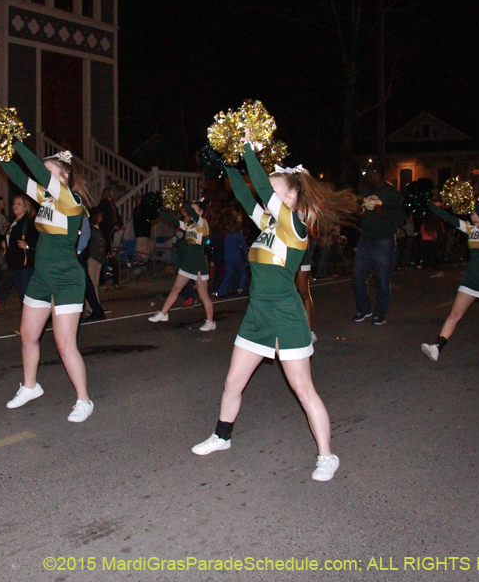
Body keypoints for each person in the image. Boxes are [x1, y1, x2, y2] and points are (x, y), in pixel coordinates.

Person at [192, 137, 354, 482]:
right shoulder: (267, 224)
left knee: (303, 389)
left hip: (285, 315)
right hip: (257, 315)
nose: (267, 191)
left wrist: (249, 148)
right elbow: (244, 192)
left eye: (275, 187)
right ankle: (221, 437)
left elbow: (261, 188)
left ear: (292, 197)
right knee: (232, 382)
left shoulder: (294, 227)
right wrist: (228, 163)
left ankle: (327, 455)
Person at [0, 143, 95, 423]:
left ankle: (84, 400)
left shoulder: (70, 201)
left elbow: (35, 171)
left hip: (66, 278)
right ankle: (30, 386)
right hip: (41, 277)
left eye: (48, 173)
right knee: (28, 336)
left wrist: (15, 141)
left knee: (65, 344)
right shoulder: (46, 199)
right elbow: (18, 177)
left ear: (62, 177)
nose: (42, 178)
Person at [420, 195, 479, 362]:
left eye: (478, 214)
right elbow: (449, 218)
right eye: (472, 214)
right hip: (471, 279)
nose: (475, 218)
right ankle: (437, 347)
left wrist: (471, 197)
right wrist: (429, 205)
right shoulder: (470, 229)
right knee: (454, 314)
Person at [351, 162, 406, 325]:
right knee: (357, 276)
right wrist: (358, 211)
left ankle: (380, 312)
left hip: (383, 240)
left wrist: (383, 212)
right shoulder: (365, 191)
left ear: (377, 174)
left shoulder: (391, 193)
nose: (367, 177)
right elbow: (359, 209)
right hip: (365, 238)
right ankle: (364, 308)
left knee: (383, 278)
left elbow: (401, 216)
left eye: (369, 174)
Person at [149, 200, 215, 331]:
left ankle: (211, 322)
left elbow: (191, 213)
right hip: (187, 263)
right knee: (175, 289)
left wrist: (180, 200)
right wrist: (159, 211)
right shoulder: (189, 224)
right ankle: (163, 313)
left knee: (203, 295)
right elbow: (173, 221)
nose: (190, 211)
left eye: (194, 209)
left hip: (198, 264)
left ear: (201, 212)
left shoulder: (203, 223)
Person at [0, 195, 39, 307]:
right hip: (14, 263)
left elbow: (37, 239)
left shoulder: (29, 222)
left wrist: (28, 246)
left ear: (25, 206)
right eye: (14, 204)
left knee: (26, 294)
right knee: (21, 294)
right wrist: (5, 243)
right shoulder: (14, 222)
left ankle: (30, 320)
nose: (15, 206)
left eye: (19, 204)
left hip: (25, 264)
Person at [215, 214, 249, 298]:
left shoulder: (227, 235)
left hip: (227, 256)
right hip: (236, 256)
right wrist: (247, 259)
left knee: (228, 273)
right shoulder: (238, 234)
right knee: (243, 271)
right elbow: (244, 247)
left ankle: (221, 291)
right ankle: (241, 288)